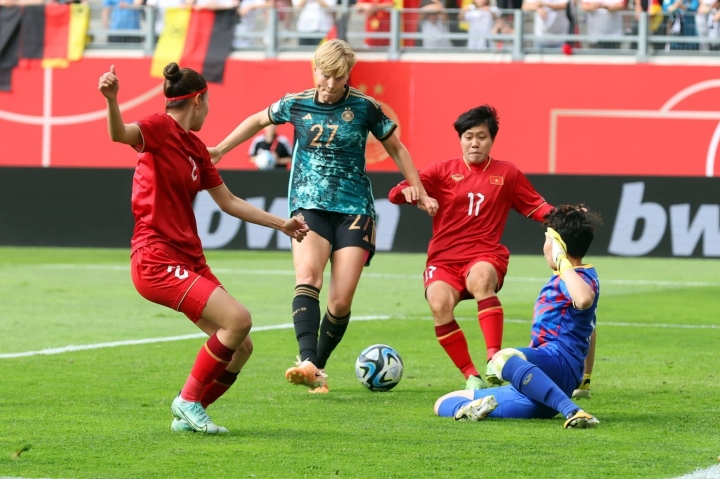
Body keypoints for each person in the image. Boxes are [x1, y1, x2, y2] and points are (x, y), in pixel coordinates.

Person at [208, 39, 438, 394]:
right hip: (309, 205)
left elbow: (397, 147)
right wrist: (220, 149)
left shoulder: (364, 107)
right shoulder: (296, 103)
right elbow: (257, 120)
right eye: (324, 74)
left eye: (338, 76)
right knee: (307, 276)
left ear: (348, 75)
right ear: (314, 69)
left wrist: (418, 189)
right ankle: (306, 360)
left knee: (340, 301)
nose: (330, 84)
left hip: (355, 209)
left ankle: (318, 367)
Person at [97, 62, 309, 433]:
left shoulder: (196, 148)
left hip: (188, 259)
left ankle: (191, 414)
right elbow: (118, 134)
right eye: (208, 102)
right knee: (238, 319)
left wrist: (283, 225)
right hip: (156, 257)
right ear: (197, 100)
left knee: (241, 346)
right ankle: (188, 400)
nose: (208, 109)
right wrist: (112, 100)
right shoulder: (158, 128)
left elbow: (228, 202)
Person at [388, 105, 553, 390]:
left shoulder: (507, 173)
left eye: (481, 137)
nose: (474, 143)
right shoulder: (441, 171)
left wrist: (564, 215)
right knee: (438, 304)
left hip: (484, 253)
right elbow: (394, 194)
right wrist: (408, 191)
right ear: (460, 139)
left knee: (481, 279)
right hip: (444, 259)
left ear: (492, 140)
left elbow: (537, 208)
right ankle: (471, 376)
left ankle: (494, 360)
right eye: (468, 136)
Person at [434, 204, 602, 429]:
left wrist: (562, 261)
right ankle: (469, 410)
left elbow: (583, 300)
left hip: (556, 364)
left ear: (557, 246)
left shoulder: (576, 278)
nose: (544, 247)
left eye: (547, 240)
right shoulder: (579, 278)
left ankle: (571, 410)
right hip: (543, 389)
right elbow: (590, 329)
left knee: (501, 359)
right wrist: (585, 379)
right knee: (445, 401)